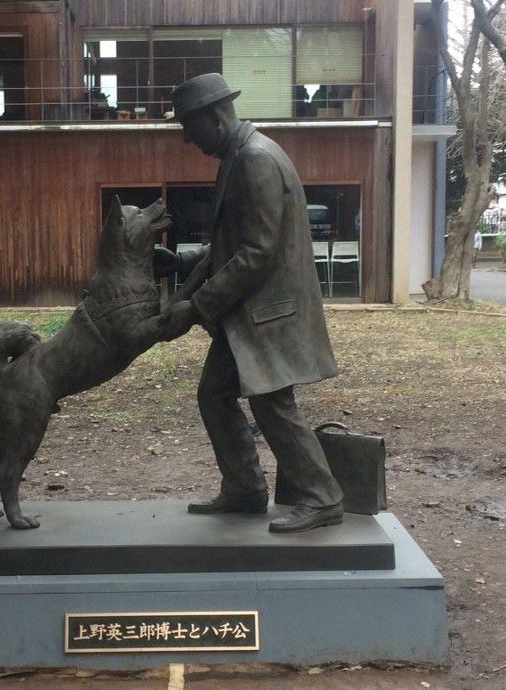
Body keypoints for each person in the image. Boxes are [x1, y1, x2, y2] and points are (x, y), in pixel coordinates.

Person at [155, 73, 344, 533]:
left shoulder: (256, 159)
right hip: (249, 315)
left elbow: (256, 255)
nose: (187, 138)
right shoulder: (239, 156)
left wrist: (196, 306)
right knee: (214, 395)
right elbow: (233, 244)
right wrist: (182, 262)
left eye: (190, 127)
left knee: (273, 405)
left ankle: (323, 497)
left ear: (214, 118)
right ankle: (245, 488)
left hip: (267, 314)